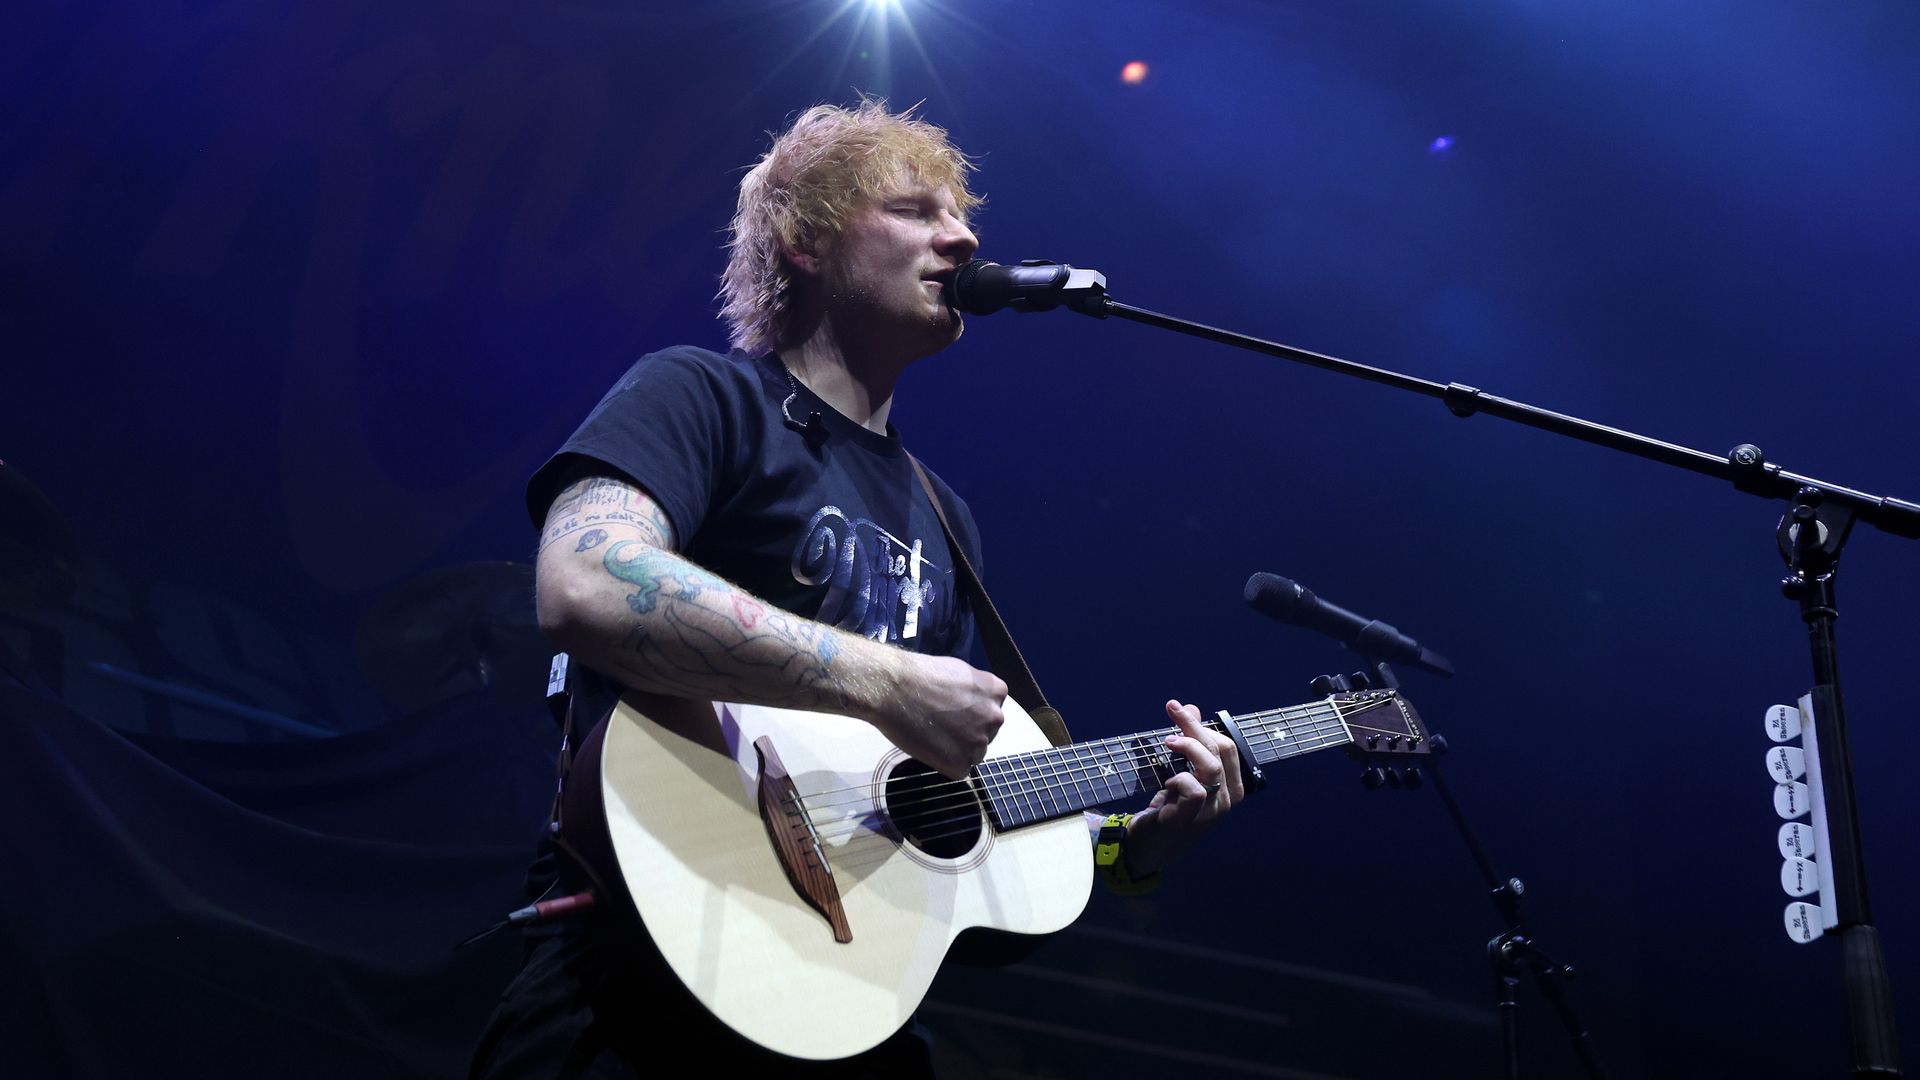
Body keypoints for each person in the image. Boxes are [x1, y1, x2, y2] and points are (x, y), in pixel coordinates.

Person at [471, 100, 1242, 1079]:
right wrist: (883, 680)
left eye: (960, 216)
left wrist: (1131, 847)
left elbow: (936, 821)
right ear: (805, 240)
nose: (962, 238)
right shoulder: (704, 397)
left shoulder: (945, 516)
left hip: (843, 1006)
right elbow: (585, 586)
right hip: (631, 984)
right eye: (915, 211)